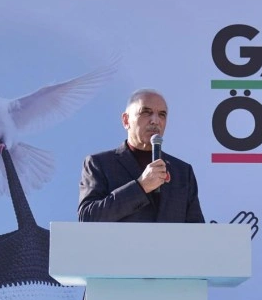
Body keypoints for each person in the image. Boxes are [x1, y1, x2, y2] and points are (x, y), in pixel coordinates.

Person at [78, 88, 205, 223]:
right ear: (126, 120)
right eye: (146, 112)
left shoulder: (182, 171)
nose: (155, 120)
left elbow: (197, 229)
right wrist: (141, 186)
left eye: (162, 114)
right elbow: (87, 217)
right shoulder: (100, 164)